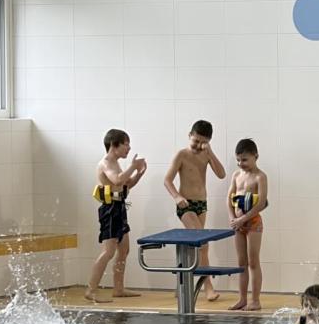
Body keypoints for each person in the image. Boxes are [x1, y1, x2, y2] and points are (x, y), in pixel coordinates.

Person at [163, 119, 226, 302]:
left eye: (203, 142)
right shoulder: (181, 155)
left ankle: (181, 285)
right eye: (195, 141)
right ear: (189, 135)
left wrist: (210, 152)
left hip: (201, 204)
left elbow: (221, 174)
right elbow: (167, 180)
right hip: (186, 205)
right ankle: (208, 288)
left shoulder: (206, 155)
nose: (198, 145)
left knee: (196, 248)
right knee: (203, 244)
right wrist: (177, 197)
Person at [85, 128, 148, 303]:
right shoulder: (106, 163)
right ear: (114, 145)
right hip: (110, 210)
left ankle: (118, 288)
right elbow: (118, 180)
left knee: (124, 249)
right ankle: (91, 290)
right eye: (126, 144)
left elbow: (126, 185)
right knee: (108, 252)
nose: (129, 148)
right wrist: (133, 166)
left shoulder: (116, 163)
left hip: (119, 207)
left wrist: (139, 173)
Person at [227, 138, 268, 312]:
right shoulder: (236, 175)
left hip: (253, 223)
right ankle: (242, 299)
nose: (240, 163)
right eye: (238, 160)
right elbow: (229, 198)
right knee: (241, 263)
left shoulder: (260, 177)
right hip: (238, 225)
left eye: (244, 160)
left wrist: (242, 219)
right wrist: (233, 218)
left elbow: (261, 203)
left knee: (253, 262)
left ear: (255, 156)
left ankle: (255, 300)